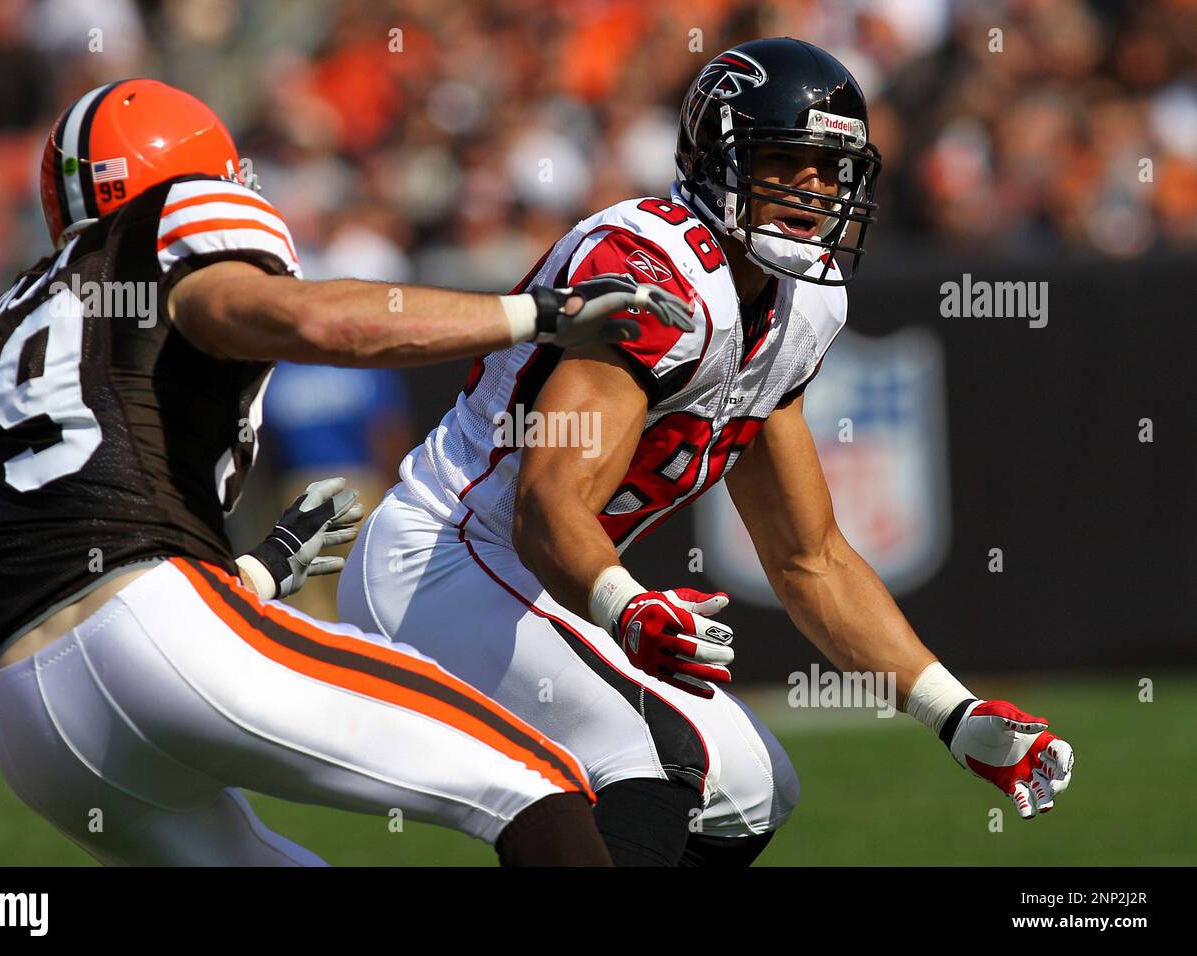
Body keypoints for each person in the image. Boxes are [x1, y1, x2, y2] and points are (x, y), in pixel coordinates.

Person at [338, 38, 1075, 866]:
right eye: (786, 161)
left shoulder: (801, 306)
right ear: (715, 157)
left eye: (831, 171)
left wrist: (953, 713)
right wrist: (626, 605)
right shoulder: (653, 273)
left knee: (754, 791)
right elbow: (547, 503)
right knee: (661, 756)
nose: (813, 191)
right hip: (444, 560)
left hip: (538, 581)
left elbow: (809, 559)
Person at [0, 78, 689, 866]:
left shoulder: (2, 324)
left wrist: (257, 573)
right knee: (537, 780)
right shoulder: (179, 215)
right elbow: (301, 318)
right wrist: (544, 313)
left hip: (29, 716)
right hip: (155, 630)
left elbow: (67, 562)